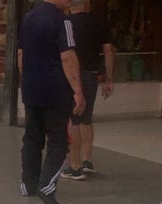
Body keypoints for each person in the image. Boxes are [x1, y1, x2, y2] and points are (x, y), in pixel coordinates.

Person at [18, 0, 86, 204]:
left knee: (32, 138)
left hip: (31, 90)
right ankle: (46, 184)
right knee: (58, 141)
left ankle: (27, 184)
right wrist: (78, 91)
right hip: (55, 92)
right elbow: (67, 57)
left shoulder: (28, 19)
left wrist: (27, 79)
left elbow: (21, 54)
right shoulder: (62, 21)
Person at [60, 0, 115, 180]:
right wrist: (109, 78)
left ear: (72, 6)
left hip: (73, 76)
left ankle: (74, 167)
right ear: (86, 5)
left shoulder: (66, 23)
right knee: (86, 118)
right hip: (91, 76)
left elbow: (65, 55)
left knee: (74, 119)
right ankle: (87, 161)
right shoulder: (99, 23)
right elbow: (108, 51)